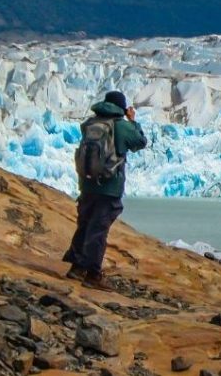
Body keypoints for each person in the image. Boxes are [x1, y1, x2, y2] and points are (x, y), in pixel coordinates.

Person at [63, 91, 147, 291]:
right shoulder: (122, 126)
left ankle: (77, 267)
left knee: (84, 224)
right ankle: (93, 274)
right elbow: (140, 142)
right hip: (109, 187)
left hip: (87, 184)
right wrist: (133, 121)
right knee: (98, 229)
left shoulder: (90, 125)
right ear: (121, 108)